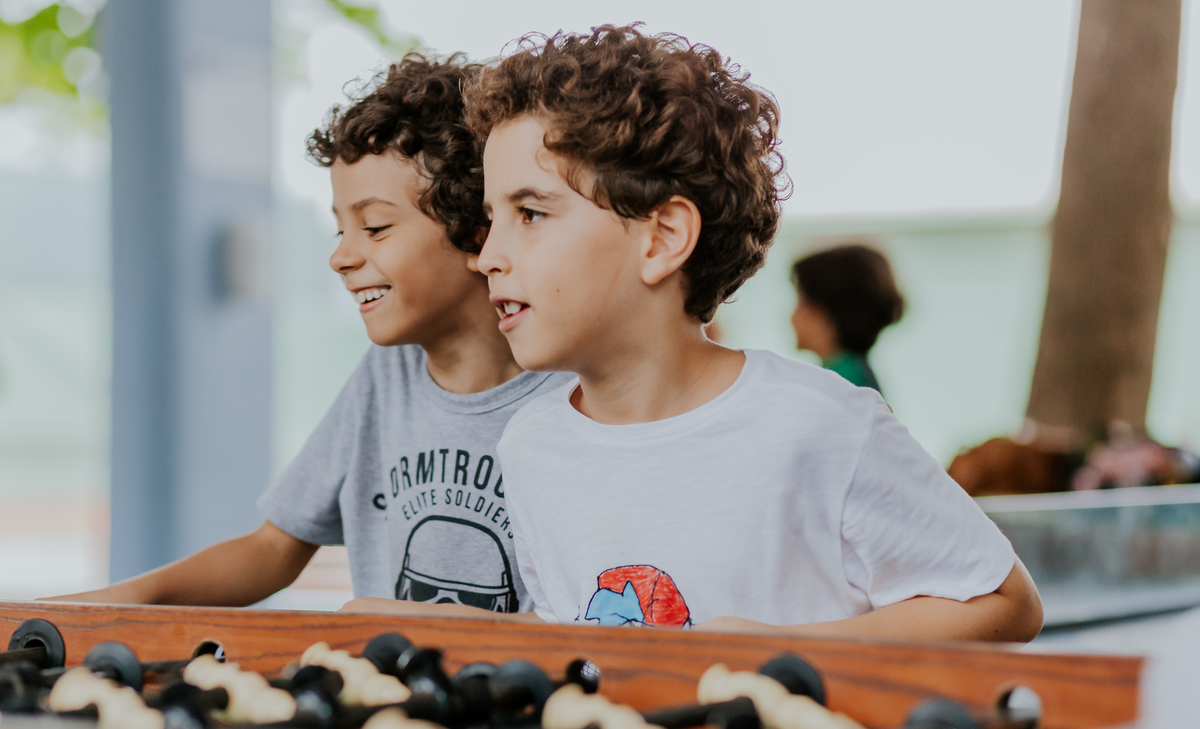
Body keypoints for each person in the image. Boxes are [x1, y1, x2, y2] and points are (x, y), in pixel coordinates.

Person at [467, 25, 1043, 640]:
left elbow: (1003, 600)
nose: (487, 256)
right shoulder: (529, 445)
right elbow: (568, 632)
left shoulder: (821, 425)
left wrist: (775, 649)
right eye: (490, 218)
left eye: (529, 213)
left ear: (661, 239)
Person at [52, 54, 568, 615]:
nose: (341, 256)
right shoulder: (384, 379)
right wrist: (123, 600)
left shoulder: (567, 392)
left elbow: (574, 618)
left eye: (374, 228)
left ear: (476, 231)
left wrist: (405, 617)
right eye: (340, 228)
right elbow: (274, 546)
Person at [790, 245, 903, 395]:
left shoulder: (840, 381)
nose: (792, 317)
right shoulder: (854, 372)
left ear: (820, 314)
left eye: (801, 302)